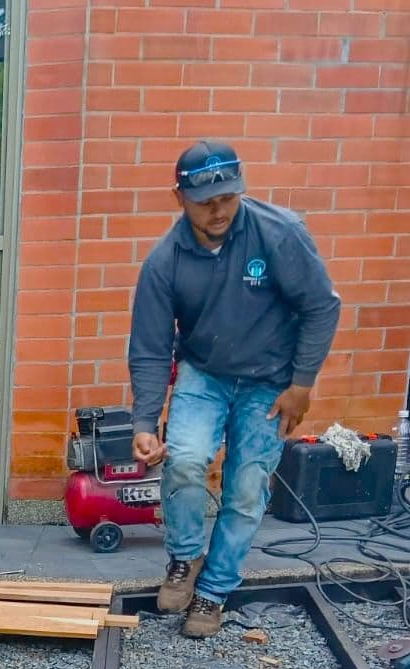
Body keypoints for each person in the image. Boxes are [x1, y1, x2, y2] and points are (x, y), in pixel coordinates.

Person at [128, 140, 341, 638]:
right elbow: (151, 348)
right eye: (205, 201)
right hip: (204, 372)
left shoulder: (279, 234)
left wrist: (302, 385)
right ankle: (185, 558)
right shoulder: (164, 261)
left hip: (270, 380)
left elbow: (321, 306)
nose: (219, 210)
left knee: (246, 486)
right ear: (179, 198)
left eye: (228, 197)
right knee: (184, 459)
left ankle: (215, 589)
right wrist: (144, 422)